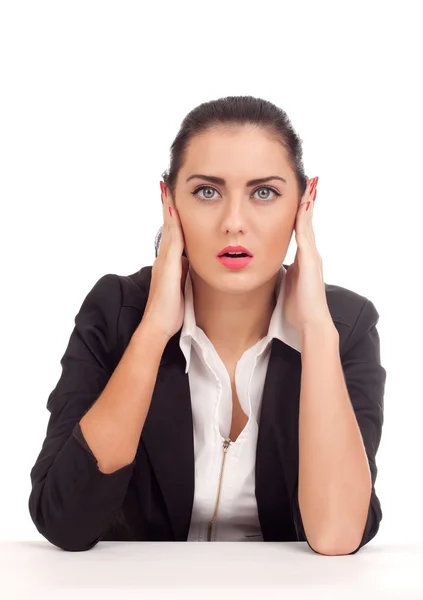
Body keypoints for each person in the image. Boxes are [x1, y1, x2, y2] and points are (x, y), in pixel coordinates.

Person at [28, 95, 386, 554]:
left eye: (264, 193)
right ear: (169, 201)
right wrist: (154, 330)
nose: (234, 223)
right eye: (207, 192)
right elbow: (64, 521)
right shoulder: (115, 311)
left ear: (305, 201)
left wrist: (316, 330)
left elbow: (337, 536)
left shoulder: (345, 326)